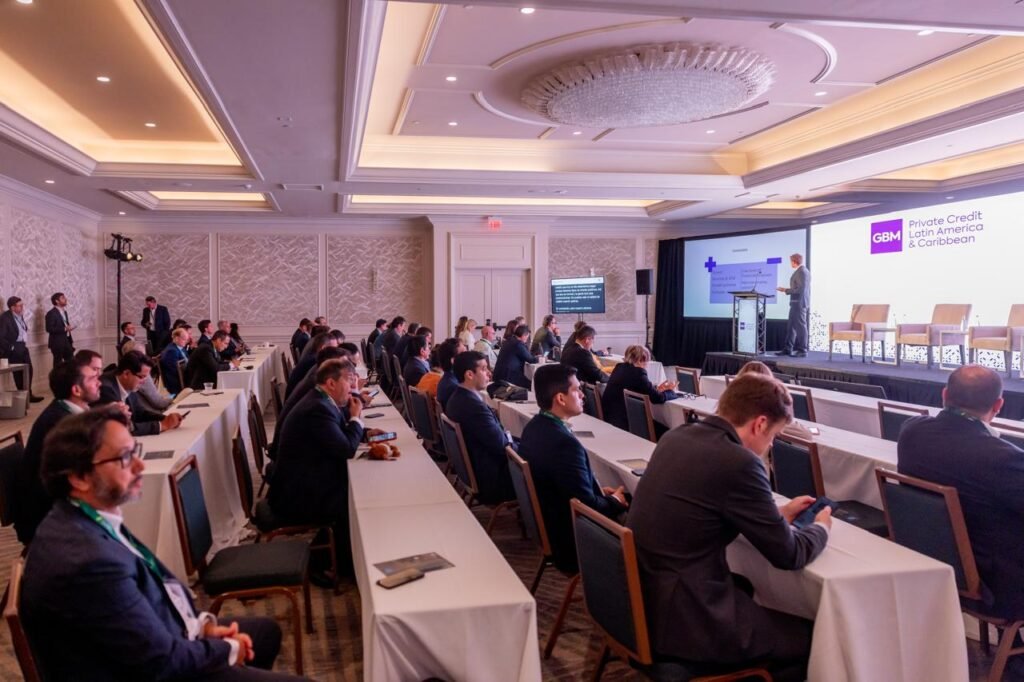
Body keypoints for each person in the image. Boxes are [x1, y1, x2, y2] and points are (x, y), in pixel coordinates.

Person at [23, 407, 302, 680]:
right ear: (79, 478)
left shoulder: (81, 518)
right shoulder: (88, 561)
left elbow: (153, 596)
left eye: (136, 451)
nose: (140, 465)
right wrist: (227, 648)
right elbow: (162, 663)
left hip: (154, 640)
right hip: (148, 667)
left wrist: (202, 627)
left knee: (265, 632)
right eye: (125, 457)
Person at [627, 374, 830, 679]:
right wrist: (821, 527)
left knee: (748, 590)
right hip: (687, 619)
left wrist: (777, 514)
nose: (771, 444)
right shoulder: (739, 462)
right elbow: (790, 554)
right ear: (760, 424)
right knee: (817, 638)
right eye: (774, 435)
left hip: (643, 603)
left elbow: (705, 508)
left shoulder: (677, 436)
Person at [898, 365, 1024, 619]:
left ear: (944, 395)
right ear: (998, 405)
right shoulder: (1002, 458)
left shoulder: (911, 431)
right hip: (996, 587)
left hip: (931, 565)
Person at [518, 363, 627, 572]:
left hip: (552, 524)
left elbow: (568, 486)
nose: (583, 395)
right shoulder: (564, 444)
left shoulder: (534, 427)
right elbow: (587, 507)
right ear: (560, 398)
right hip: (573, 540)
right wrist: (615, 501)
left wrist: (596, 490)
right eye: (577, 390)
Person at [268, 359, 367, 580]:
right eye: (350, 381)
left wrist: (363, 431)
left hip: (305, 479)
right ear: (331, 383)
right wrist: (356, 419)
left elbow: (337, 434)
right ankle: (327, 564)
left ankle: (338, 557)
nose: (353, 387)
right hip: (296, 495)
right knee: (355, 498)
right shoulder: (317, 409)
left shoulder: (321, 400)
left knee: (355, 487)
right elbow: (346, 449)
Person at [15, 358, 101, 545]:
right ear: (76, 390)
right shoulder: (60, 423)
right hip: (48, 516)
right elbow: (82, 473)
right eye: (92, 378)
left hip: (56, 503)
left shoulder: (67, 410)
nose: (99, 382)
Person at [444, 351, 515, 504]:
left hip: (477, 472)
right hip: (493, 480)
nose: (489, 373)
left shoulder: (458, 397)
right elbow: (502, 446)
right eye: (483, 369)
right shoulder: (473, 407)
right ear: (469, 374)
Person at [93, 351, 182, 436]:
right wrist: (163, 425)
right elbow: (123, 427)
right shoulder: (105, 389)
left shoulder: (128, 383)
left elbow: (140, 413)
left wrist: (165, 418)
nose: (143, 382)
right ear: (126, 374)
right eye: (142, 377)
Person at [601, 344, 677, 432]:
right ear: (640, 360)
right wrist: (671, 391)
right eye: (647, 361)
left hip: (609, 416)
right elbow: (657, 398)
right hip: (624, 422)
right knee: (669, 430)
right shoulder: (638, 373)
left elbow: (639, 387)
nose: (647, 365)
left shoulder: (619, 367)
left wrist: (656, 388)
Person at [0, 296, 43, 401]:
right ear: (12, 307)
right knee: (19, 373)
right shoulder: (5, 318)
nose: (22, 307)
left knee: (29, 370)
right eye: (20, 305)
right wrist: (11, 347)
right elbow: (1, 336)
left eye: (22, 305)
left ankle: (29, 395)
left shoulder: (19, 315)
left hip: (23, 346)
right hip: (14, 348)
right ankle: (23, 397)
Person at [121, 341, 173, 413]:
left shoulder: (124, 372)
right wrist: (174, 399)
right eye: (143, 356)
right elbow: (158, 403)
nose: (146, 358)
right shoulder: (141, 375)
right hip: (155, 413)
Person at [776, 253, 810, 357]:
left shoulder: (802, 271)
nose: (790, 263)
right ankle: (788, 349)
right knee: (791, 327)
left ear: (794, 261)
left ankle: (803, 350)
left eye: (791, 261)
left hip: (799, 303)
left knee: (801, 327)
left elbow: (801, 289)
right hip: (795, 303)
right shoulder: (800, 271)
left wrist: (786, 290)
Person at [285, 332, 337, 397]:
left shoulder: (312, 357)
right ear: (323, 348)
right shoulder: (314, 362)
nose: (336, 351)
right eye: (334, 348)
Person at [492, 324, 535, 389]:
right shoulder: (518, 344)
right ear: (523, 335)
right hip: (509, 378)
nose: (527, 339)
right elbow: (531, 360)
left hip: (498, 376)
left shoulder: (508, 341)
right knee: (533, 385)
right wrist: (541, 358)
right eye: (527, 336)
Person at [45, 291, 75, 366]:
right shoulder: (51, 313)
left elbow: (64, 324)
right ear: (57, 301)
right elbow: (49, 328)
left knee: (71, 363)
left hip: (67, 341)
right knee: (58, 365)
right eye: (63, 298)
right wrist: (64, 329)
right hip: (57, 343)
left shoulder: (64, 312)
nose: (65, 299)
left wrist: (69, 328)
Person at [436, 337, 466, 408]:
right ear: (453, 360)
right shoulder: (454, 387)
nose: (468, 356)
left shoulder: (447, 379)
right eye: (463, 353)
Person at [160, 328, 191, 395]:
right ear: (176, 338)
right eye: (184, 339)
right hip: (177, 382)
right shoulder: (171, 351)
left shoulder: (180, 347)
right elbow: (175, 371)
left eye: (186, 339)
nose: (186, 341)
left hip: (184, 376)